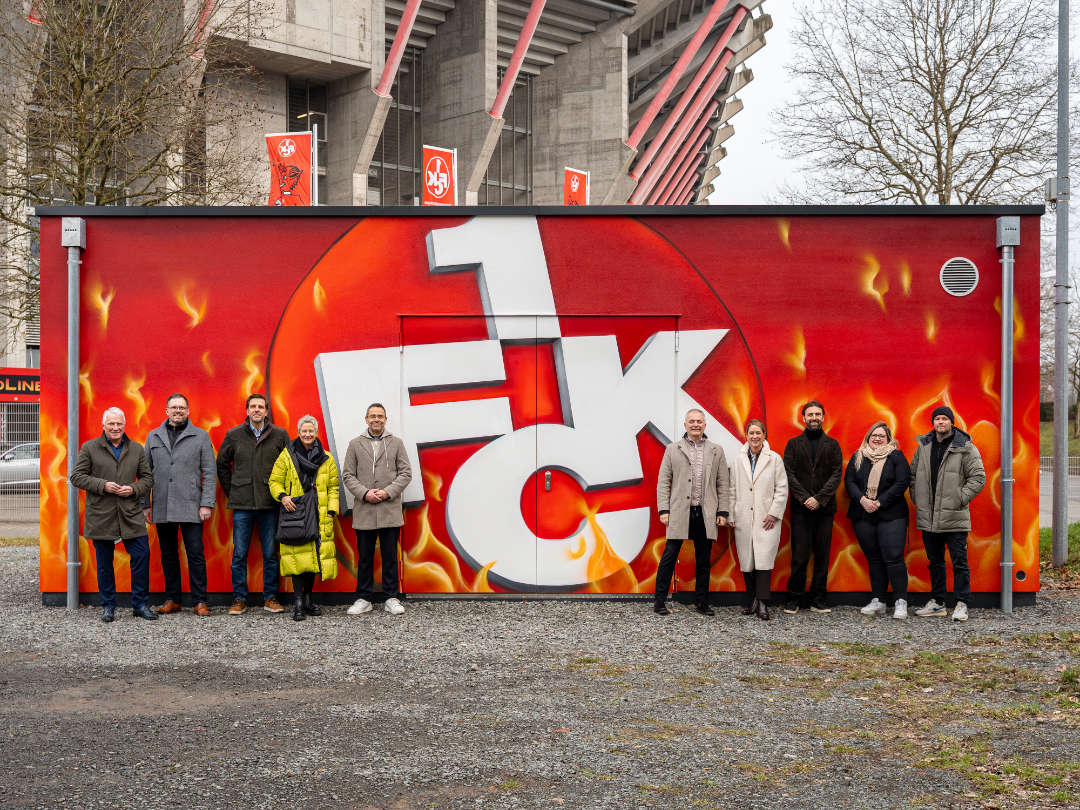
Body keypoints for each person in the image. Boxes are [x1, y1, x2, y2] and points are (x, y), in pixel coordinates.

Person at [70, 407, 157, 622]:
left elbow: (148, 478)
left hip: (130, 514)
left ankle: (140, 604)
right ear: (104, 426)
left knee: (141, 557)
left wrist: (134, 489)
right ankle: (108, 605)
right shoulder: (90, 448)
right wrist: (103, 485)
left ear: (124, 425)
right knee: (104, 563)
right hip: (102, 515)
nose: (115, 428)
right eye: (111, 424)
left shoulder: (136, 449)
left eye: (119, 424)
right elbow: (77, 477)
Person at [142, 393, 216, 617]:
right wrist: (146, 504)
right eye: (173, 407)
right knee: (168, 554)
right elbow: (145, 473)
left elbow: (210, 473)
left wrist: (206, 504)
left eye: (182, 407)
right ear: (166, 411)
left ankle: (200, 601)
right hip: (163, 506)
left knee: (195, 554)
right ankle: (173, 599)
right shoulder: (153, 436)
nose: (178, 411)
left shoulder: (201, 436)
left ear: (188, 411)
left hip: (192, 505)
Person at [910, 405, 986, 622]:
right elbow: (913, 475)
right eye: (937, 419)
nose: (940, 422)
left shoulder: (965, 447)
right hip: (929, 518)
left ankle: (962, 603)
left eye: (944, 419)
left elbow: (978, 477)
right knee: (934, 562)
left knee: (959, 562)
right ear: (932, 423)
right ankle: (938, 602)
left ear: (951, 422)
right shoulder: (924, 446)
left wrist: (959, 498)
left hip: (954, 517)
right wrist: (919, 499)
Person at [216, 393, 289, 615]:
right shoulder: (234, 435)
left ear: (267, 411)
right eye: (253, 406)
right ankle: (239, 599)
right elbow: (221, 465)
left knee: (270, 554)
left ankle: (270, 598)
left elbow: (289, 466)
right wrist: (234, 490)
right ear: (247, 411)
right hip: (242, 505)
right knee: (239, 554)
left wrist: (281, 493)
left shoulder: (279, 435)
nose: (257, 410)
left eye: (261, 407)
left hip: (270, 504)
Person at [653, 409, 731, 616]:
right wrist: (664, 509)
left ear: (705, 425)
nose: (695, 424)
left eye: (699, 421)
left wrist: (723, 511)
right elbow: (663, 482)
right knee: (670, 555)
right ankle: (659, 601)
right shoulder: (672, 449)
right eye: (691, 421)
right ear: (685, 425)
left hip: (705, 512)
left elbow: (723, 483)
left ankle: (702, 602)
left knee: (703, 559)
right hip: (680, 511)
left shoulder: (716, 450)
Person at [341, 403, 413, 616]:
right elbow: (347, 475)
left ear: (385, 419)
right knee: (365, 557)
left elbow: (406, 473)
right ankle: (364, 598)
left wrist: (387, 492)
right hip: (364, 510)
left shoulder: (396, 443)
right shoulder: (355, 444)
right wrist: (364, 493)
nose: (376, 419)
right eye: (372, 416)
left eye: (380, 416)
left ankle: (391, 597)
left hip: (389, 510)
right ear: (366, 419)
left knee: (390, 556)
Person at [268, 415, 340, 621]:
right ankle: (298, 602)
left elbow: (334, 486)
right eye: (304, 431)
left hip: (319, 513)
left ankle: (308, 600)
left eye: (311, 431)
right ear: (298, 432)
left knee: (314, 558)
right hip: (296, 513)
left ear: (316, 433)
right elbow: (274, 481)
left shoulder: (326, 458)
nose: (307, 434)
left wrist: (332, 509)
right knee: (298, 556)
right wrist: (282, 496)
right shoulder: (286, 456)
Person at [845, 422, 911, 619]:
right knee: (874, 559)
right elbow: (849, 481)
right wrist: (862, 500)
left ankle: (900, 602)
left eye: (881, 436)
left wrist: (880, 502)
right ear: (868, 436)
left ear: (888, 438)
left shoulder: (896, 457)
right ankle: (879, 601)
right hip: (863, 514)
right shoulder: (859, 456)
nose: (877, 438)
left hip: (891, 514)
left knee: (894, 558)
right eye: (874, 435)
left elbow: (902, 482)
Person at [782, 400, 843, 615]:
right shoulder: (793, 444)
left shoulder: (833, 445)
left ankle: (818, 599)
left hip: (824, 509)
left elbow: (837, 474)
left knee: (822, 556)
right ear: (804, 418)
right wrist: (805, 498)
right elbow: (788, 473)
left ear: (823, 417)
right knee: (799, 556)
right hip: (801, 510)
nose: (814, 417)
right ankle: (794, 598)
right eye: (810, 414)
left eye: (818, 414)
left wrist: (819, 498)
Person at [729, 419, 788, 621]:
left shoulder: (775, 459)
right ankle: (752, 598)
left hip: (766, 518)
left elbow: (782, 489)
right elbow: (731, 489)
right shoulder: (738, 460)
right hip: (743, 516)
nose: (755, 437)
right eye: (751, 433)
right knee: (747, 560)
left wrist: (774, 513)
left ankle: (762, 602)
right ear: (746, 436)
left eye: (758, 433)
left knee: (763, 560)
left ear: (764, 435)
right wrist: (731, 513)